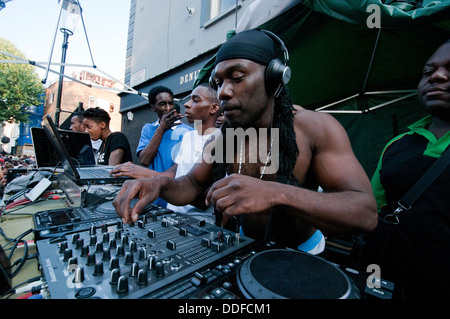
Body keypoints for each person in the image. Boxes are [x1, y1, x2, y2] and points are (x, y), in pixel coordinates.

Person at [113, 29, 377, 255]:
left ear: (274, 77)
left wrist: (276, 193)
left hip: (302, 255)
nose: (224, 92)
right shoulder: (227, 136)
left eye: (237, 78)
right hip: (247, 249)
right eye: (218, 83)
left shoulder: (314, 127)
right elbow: (192, 185)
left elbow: (365, 213)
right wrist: (158, 183)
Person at [369, 40, 450, 298]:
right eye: (428, 72)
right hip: (382, 285)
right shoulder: (397, 145)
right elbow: (371, 211)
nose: (436, 76)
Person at [112, 83, 221, 223]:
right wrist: (148, 180)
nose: (186, 104)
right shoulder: (189, 137)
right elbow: (176, 172)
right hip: (172, 212)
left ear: (213, 108)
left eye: (195, 100)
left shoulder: (222, 139)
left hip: (198, 220)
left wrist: (151, 177)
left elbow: (203, 200)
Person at [136, 86, 192, 207]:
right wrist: (161, 128)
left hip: (175, 197)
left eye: (170, 103)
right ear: (153, 108)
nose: (168, 108)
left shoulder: (188, 132)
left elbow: (183, 168)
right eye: (162, 104)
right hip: (151, 196)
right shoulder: (148, 129)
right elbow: (144, 160)